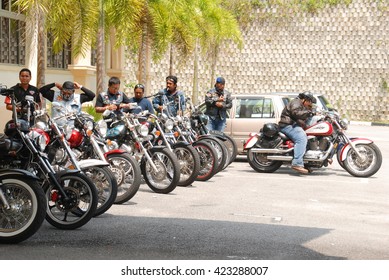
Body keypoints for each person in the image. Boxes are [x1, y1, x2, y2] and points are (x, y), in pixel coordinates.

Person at [278, 92, 315, 174]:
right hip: (287, 125)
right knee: (301, 138)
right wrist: (309, 112)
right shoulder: (296, 102)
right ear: (304, 99)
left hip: (293, 124)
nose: (310, 103)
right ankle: (297, 163)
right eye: (309, 101)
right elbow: (296, 113)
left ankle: (307, 163)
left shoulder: (301, 104)